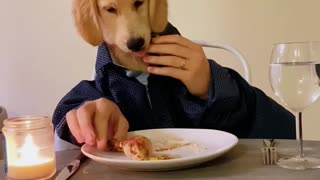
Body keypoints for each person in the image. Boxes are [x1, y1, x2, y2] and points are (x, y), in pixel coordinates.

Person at [53, 24, 295, 151]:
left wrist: (210, 86)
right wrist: (86, 122)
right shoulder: (97, 91)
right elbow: (65, 123)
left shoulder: (207, 77)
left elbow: (285, 129)